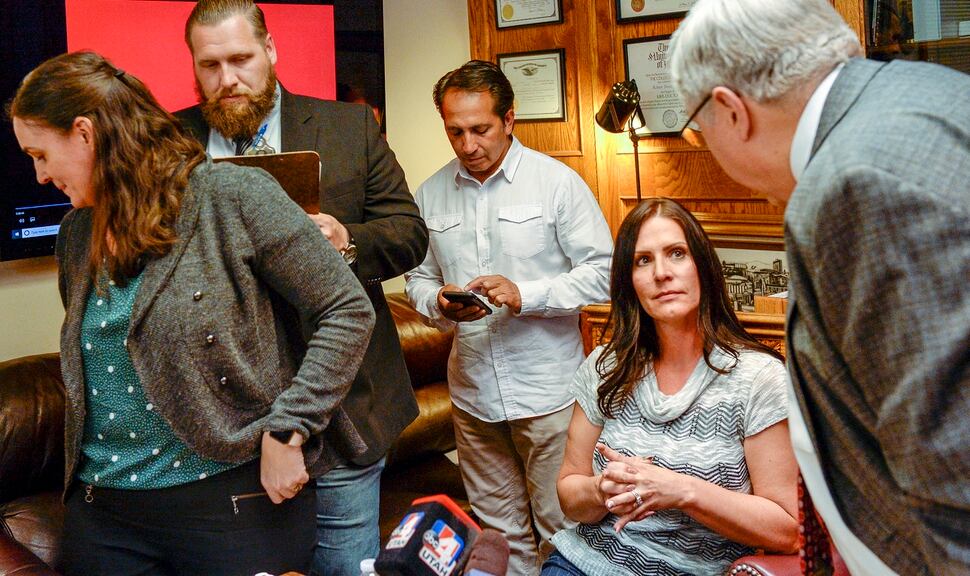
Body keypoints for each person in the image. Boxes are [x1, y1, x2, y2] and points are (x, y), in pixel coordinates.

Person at [8, 51, 375, 576]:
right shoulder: (76, 235)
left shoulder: (231, 196)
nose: (40, 175)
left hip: (229, 509)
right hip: (103, 514)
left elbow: (344, 308)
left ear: (85, 134)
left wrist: (291, 426)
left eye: (40, 154)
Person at [668, 0, 970, 573]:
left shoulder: (854, 185)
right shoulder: (928, 90)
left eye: (698, 130)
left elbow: (955, 480)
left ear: (731, 111)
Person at [175, 2, 429, 574]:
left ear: (271, 50)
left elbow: (410, 234)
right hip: (224, 420)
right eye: (209, 65)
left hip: (342, 408)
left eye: (241, 59)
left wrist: (346, 238)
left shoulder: (348, 127)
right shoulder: (168, 142)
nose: (228, 80)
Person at [405, 60, 613, 576]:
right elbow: (417, 278)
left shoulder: (556, 183)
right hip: (473, 395)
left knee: (560, 529)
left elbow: (607, 272)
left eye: (481, 129)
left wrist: (529, 293)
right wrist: (438, 304)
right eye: (455, 131)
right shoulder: (430, 194)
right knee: (498, 536)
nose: (468, 144)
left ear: (510, 119)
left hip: (548, 393)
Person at [540, 198, 798, 576]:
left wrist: (681, 491)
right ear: (629, 282)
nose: (661, 273)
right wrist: (601, 490)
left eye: (676, 253)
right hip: (581, 564)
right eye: (643, 260)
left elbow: (788, 529)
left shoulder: (758, 379)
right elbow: (569, 495)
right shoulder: (604, 366)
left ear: (703, 268)